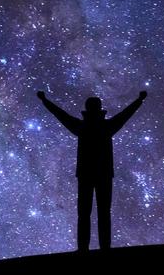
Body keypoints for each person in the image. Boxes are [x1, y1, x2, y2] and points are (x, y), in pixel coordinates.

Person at [37, 88, 147, 251]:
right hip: (103, 174)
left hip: (86, 174)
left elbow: (60, 114)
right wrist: (139, 100)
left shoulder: (82, 127)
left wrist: (45, 101)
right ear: (99, 108)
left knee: (85, 213)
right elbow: (126, 114)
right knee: (102, 213)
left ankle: (84, 249)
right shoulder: (106, 127)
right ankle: (103, 247)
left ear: (87, 109)